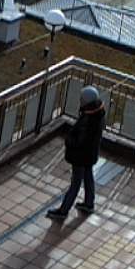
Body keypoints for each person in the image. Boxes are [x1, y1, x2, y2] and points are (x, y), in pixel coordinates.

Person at [47, 86, 106, 220]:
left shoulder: (88, 119)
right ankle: (89, 203)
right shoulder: (98, 114)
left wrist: (69, 140)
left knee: (75, 183)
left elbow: (80, 141)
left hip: (81, 156)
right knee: (88, 177)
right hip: (90, 154)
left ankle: (63, 211)